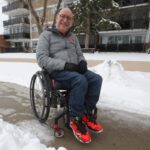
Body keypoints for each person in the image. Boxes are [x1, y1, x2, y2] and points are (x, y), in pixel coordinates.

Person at [36, 7, 103, 143]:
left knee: (96, 79)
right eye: (63, 16)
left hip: (75, 70)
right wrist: (64, 65)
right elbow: (41, 59)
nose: (65, 20)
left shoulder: (73, 37)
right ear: (56, 18)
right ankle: (75, 119)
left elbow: (79, 54)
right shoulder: (46, 35)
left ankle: (85, 113)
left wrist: (82, 62)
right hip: (57, 73)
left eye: (69, 18)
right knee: (80, 80)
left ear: (72, 22)